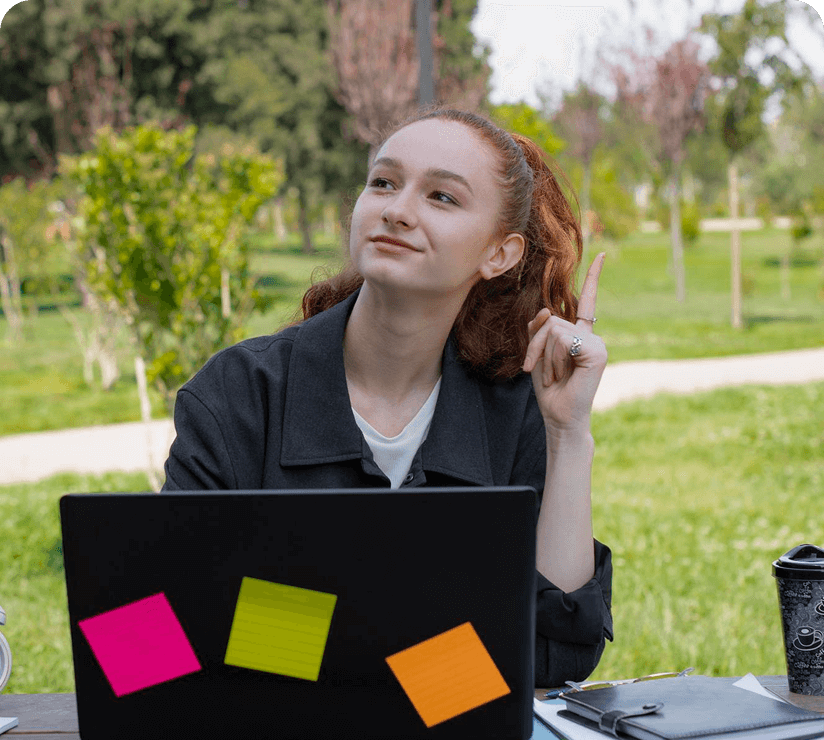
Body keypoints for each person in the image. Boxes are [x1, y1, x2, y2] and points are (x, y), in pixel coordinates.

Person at [162, 107, 612, 687]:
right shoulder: (237, 394)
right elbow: (158, 640)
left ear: (499, 254)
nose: (396, 210)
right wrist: (427, 654)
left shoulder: (517, 407)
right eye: (383, 182)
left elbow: (557, 653)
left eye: (442, 197)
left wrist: (568, 434)